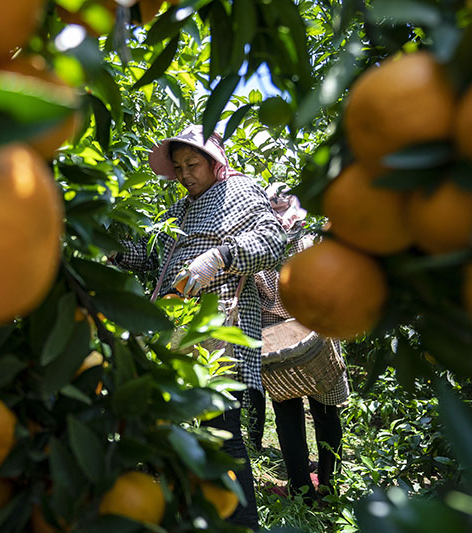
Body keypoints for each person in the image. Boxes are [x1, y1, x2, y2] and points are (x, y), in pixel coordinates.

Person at [112, 125, 285, 530]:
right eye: (179, 167)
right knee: (167, 423)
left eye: (193, 164)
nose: (186, 173)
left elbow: (272, 242)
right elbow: (148, 251)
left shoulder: (242, 192)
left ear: (215, 162)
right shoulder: (181, 210)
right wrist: (110, 246)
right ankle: (187, 513)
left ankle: (241, 522)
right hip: (176, 328)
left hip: (221, 325)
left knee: (220, 426)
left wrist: (221, 255)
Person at [254, 183, 350, 502]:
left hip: (279, 344)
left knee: (289, 414)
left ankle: (301, 487)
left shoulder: (261, 247)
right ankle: (328, 484)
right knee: (324, 411)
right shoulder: (310, 240)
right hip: (313, 336)